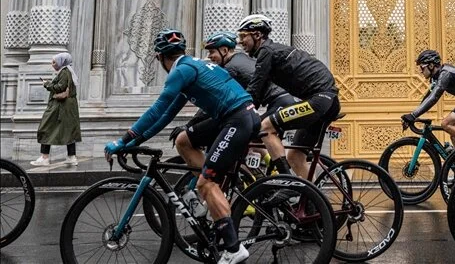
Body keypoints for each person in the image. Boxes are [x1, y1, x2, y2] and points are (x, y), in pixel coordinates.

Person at [103, 29, 258, 264]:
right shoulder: (190, 67)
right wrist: (136, 141)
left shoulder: (181, 71)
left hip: (237, 119)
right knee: (183, 140)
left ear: (160, 57)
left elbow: (157, 109)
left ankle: (234, 248)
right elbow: (166, 115)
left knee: (207, 183)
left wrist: (122, 140)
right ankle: (209, 193)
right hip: (236, 116)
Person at [237, 14, 341, 180]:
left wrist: (240, 114)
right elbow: (259, 91)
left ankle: (287, 180)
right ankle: (310, 195)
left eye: (243, 36)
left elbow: (254, 88)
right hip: (327, 101)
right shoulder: (272, 51)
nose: (240, 41)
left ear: (257, 35)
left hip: (319, 99)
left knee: (265, 127)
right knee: (295, 156)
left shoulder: (266, 51)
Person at [173, 31, 295, 164]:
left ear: (224, 51)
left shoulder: (230, 69)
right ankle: (266, 167)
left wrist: (190, 125)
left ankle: (276, 169)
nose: (209, 56)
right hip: (282, 100)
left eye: (212, 52)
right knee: (249, 135)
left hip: (279, 102)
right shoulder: (241, 58)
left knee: (249, 132)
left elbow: (214, 102)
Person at [32, 52, 82, 166]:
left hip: (60, 106)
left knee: (45, 127)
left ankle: (44, 158)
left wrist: (47, 84)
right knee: (69, 130)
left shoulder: (64, 72)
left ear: (61, 62)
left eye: (54, 62)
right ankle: (71, 157)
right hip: (67, 107)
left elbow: (60, 88)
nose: (52, 64)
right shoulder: (68, 72)